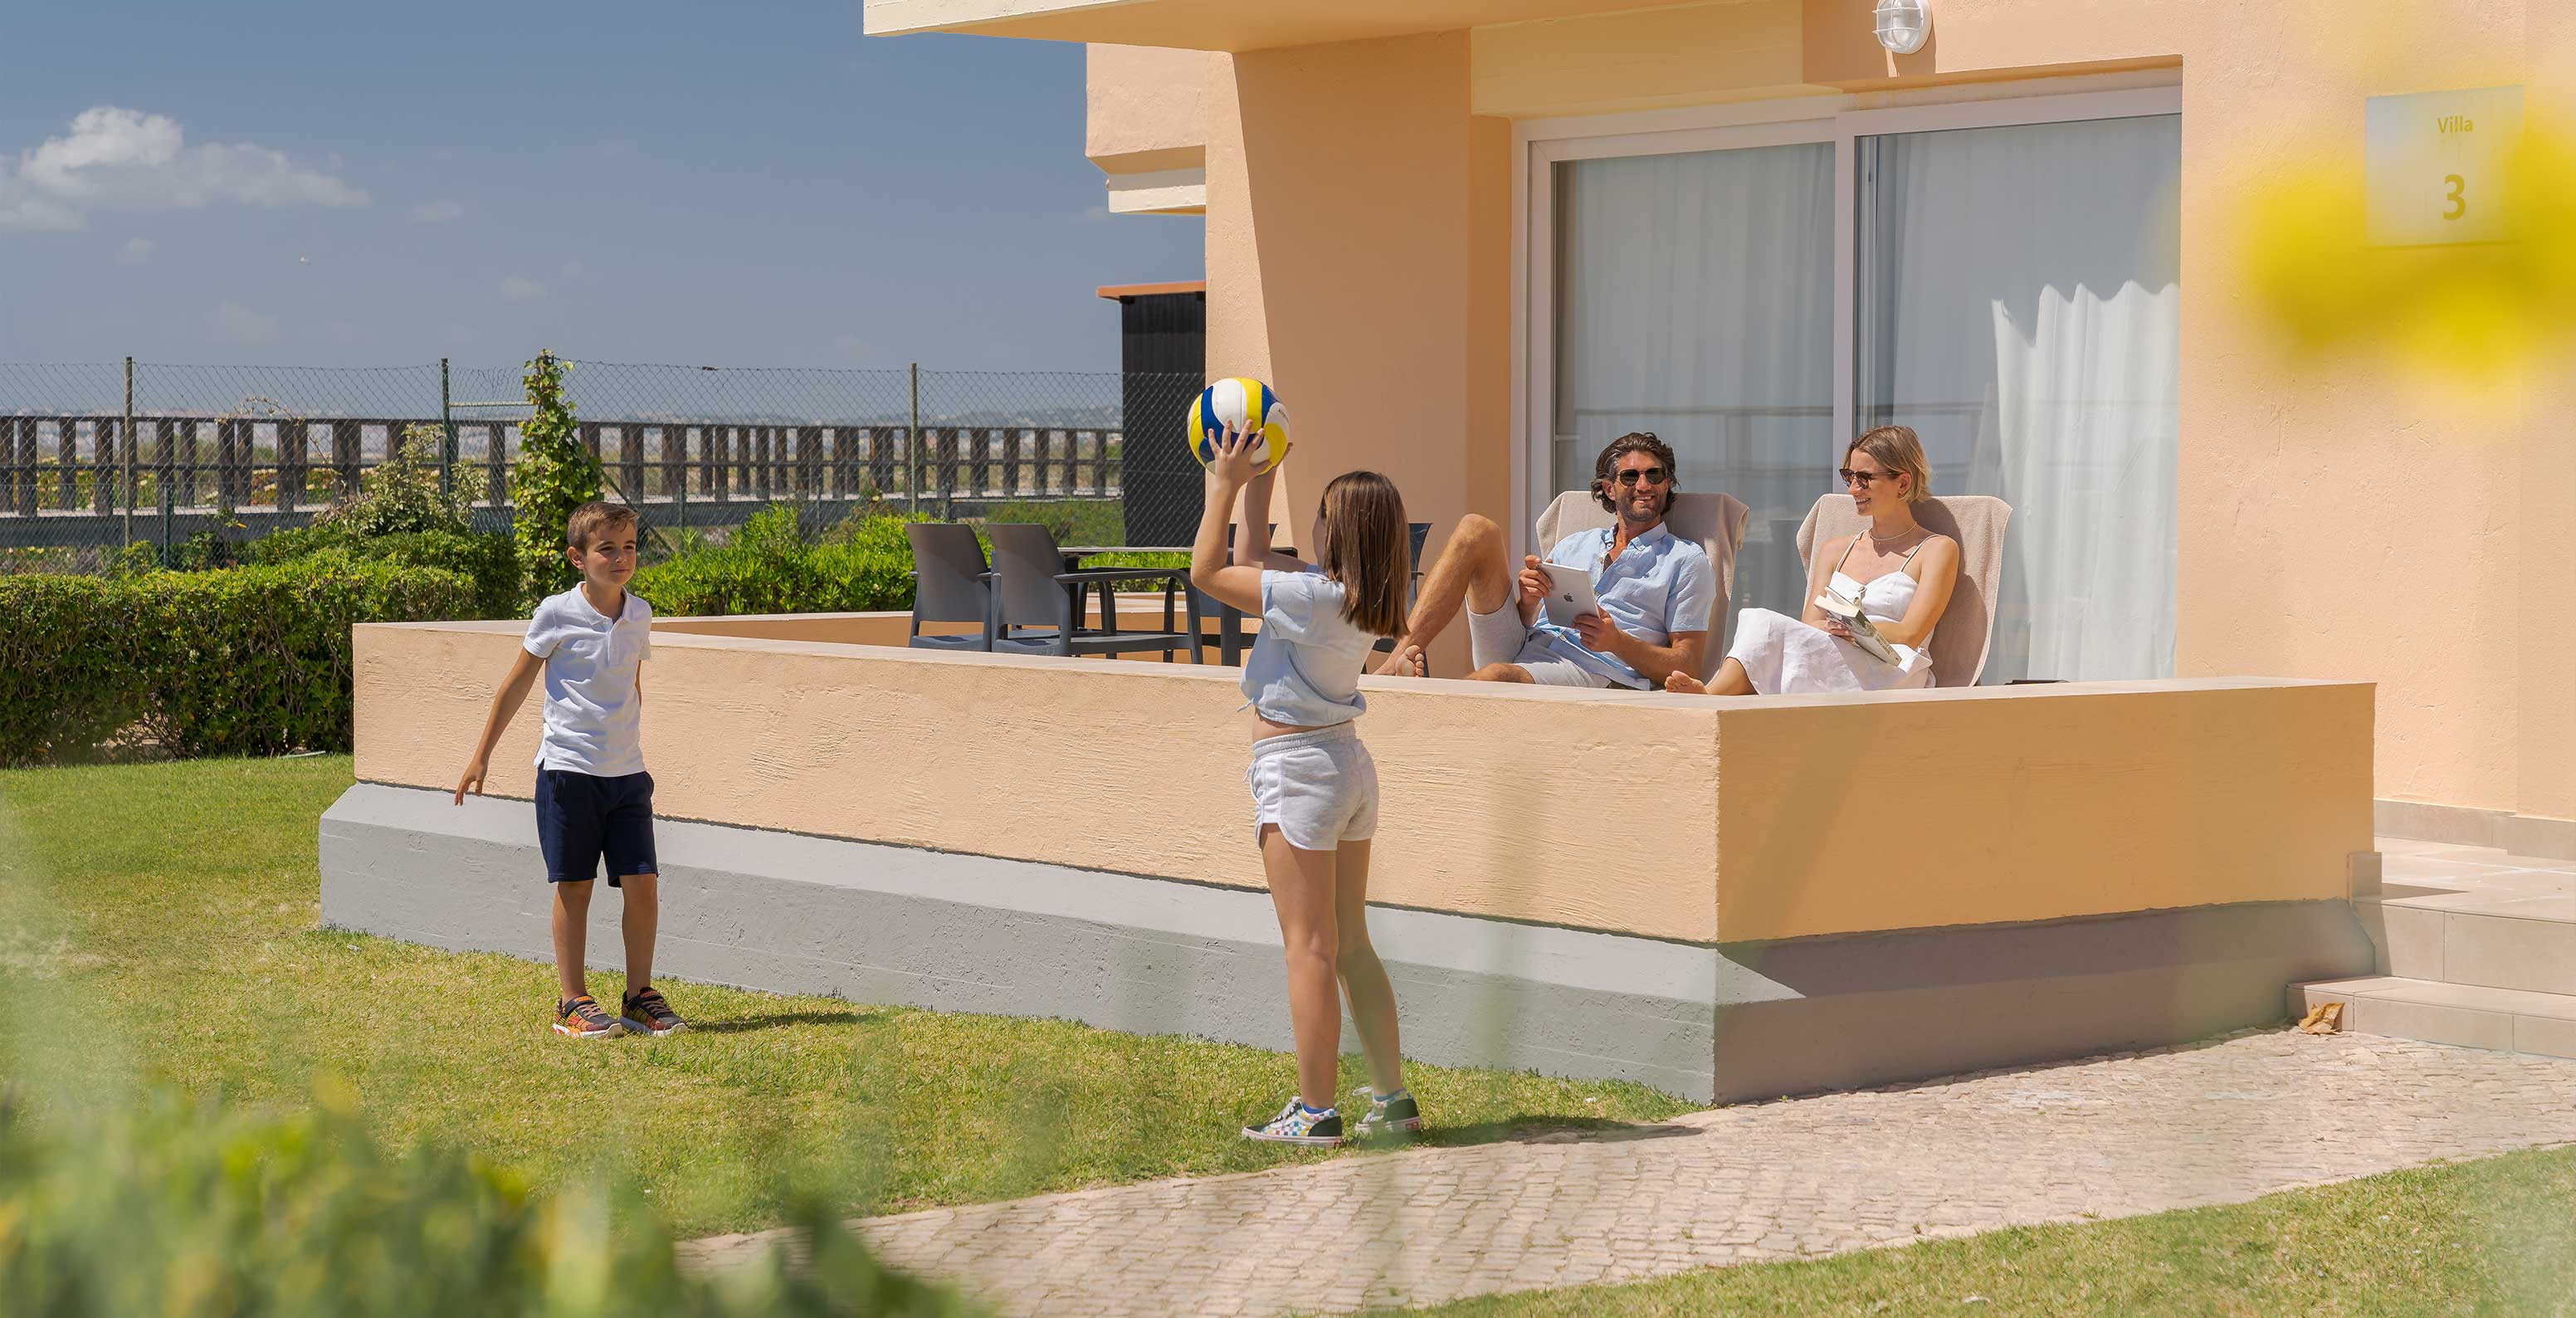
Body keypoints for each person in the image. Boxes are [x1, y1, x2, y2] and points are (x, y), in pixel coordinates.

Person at [1192, 422, 1424, 1146]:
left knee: (1309, 945)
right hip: (1348, 767)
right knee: (1351, 942)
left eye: (1322, 511)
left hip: (1298, 772)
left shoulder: (1313, 599)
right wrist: (1267, 467)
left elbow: (1208, 571)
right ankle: (1392, 1101)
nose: (1315, 522)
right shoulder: (1353, 596)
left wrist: (1223, 485)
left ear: (1340, 530)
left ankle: (1316, 1113)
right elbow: (1255, 558)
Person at [452, 501, 685, 1041]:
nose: (622, 557)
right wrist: (481, 754)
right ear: (577, 557)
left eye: (629, 546)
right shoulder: (555, 613)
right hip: (567, 774)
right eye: (608, 548)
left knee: (644, 884)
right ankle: (571, 1000)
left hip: (627, 777)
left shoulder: (641, 613)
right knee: (574, 886)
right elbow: (515, 684)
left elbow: (631, 682)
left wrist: (627, 740)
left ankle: (639, 997)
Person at [1372, 432, 1712, 690]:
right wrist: (1529, 601)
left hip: (1593, 667)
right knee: (1476, 529)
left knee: (1497, 677)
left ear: (1667, 484)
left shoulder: (1684, 559)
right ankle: (1396, 660)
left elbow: (1688, 664)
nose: (1644, 485)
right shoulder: (1577, 543)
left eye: (1654, 476)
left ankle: (1432, 740)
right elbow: (1527, 618)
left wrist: (1617, 642)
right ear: (1609, 489)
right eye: (1630, 477)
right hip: (1529, 642)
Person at [1667, 425, 1959, 696]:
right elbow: (1811, 622)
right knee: (1757, 619)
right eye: (1849, 477)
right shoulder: (1836, 549)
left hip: (1893, 669)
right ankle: (1715, 694)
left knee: (1764, 625)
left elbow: (1912, 633)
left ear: (1903, 483)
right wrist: (1842, 631)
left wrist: (1856, 629)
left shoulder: (1936, 549)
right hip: (1837, 653)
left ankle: (1711, 696)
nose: (1853, 489)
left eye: (1865, 479)